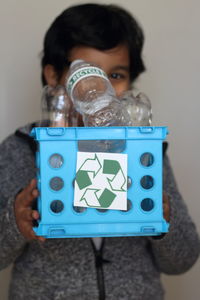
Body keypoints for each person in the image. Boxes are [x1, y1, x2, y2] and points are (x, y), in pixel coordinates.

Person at [0, 3, 199, 300]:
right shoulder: (19, 150)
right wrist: (14, 223)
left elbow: (183, 259)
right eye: (86, 74)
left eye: (116, 76)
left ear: (130, 81)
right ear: (54, 76)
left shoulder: (145, 153)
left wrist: (162, 223)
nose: (100, 89)